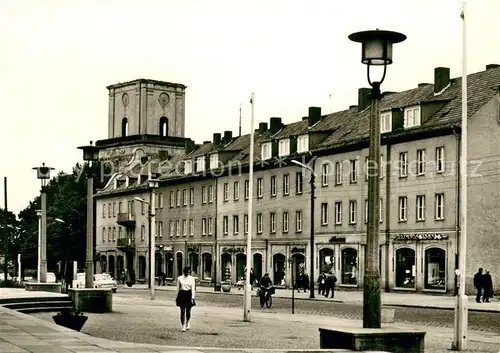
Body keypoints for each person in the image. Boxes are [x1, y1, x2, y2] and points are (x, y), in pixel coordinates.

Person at [176, 266, 196, 332]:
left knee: (188, 311)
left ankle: (187, 321)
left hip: (188, 294)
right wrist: (177, 297)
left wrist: (193, 297)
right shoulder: (180, 278)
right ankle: (183, 325)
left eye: (189, 271)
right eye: (186, 271)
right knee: (182, 311)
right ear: (184, 271)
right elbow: (178, 288)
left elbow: (193, 288)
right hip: (182, 294)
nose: (188, 273)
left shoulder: (192, 278)